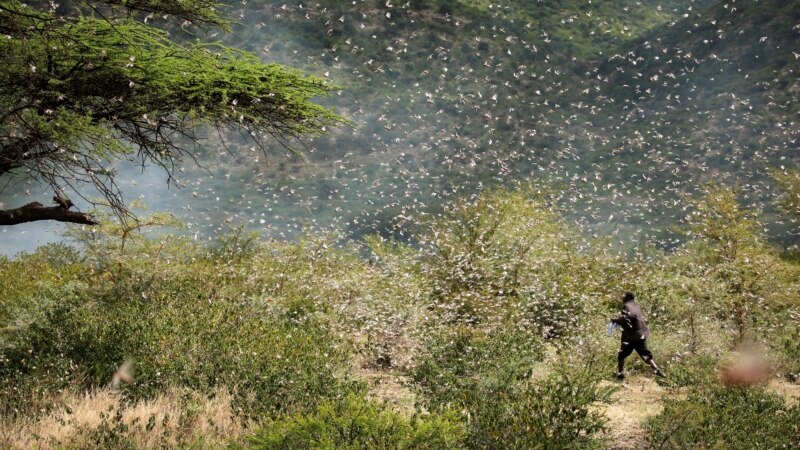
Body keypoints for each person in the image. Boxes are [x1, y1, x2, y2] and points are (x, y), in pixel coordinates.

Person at [611, 291, 665, 380]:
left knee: (621, 354)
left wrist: (616, 320)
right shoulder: (635, 305)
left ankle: (620, 374)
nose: (622, 298)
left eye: (624, 297)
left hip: (632, 337)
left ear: (628, 297)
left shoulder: (627, 305)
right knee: (645, 354)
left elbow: (629, 316)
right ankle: (657, 369)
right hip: (641, 335)